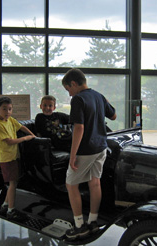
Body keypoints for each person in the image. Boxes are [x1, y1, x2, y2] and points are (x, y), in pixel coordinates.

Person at [62, 68, 116, 240]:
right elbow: (113, 115)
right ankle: (93, 221)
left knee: (71, 184)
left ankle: (79, 226)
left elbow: (79, 128)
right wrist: (103, 100)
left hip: (86, 150)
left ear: (73, 84)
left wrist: (72, 155)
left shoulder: (78, 99)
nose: (70, 94)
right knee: (95, 183)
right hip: (101, 147)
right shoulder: (98, 96)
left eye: (68, 89)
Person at [0, 96, 35, 220]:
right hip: (7, 158)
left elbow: (21, 127)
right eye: (4, 109)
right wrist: (25, 138)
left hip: (14, 156)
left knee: (13, 182)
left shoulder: (10, 120)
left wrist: (32, 135)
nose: (7, 112)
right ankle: (11, 210)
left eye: (10, 109)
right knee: (12, 184)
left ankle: (5, 205)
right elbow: (10, 141)